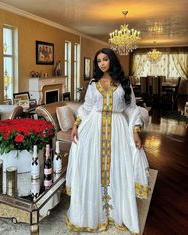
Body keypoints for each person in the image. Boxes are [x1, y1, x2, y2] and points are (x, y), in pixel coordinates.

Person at [66, 48, 150, 234]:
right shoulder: (93, 83)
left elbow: (132, 109)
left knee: (119, 168)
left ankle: (118, 212)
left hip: (118, 129)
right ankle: (91, 213)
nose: (102, 63)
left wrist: (135, 131)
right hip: (93, 128)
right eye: (99, 61)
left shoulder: (124, 82)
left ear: (111, 60)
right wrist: (75, 125)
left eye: (105, 59)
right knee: (92, 167)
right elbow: (86, 107)